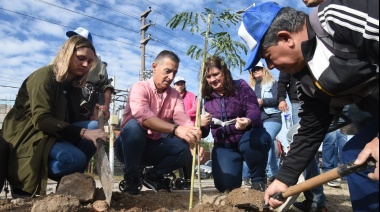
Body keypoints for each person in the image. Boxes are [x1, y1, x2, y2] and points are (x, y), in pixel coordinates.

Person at [238, 1, 379, 211]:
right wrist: (283, 179)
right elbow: (311, 129)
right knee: (356, 156)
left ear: (285, 38)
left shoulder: (337, 17)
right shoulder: (308, 78)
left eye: (267, 57)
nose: (270, 66)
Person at [1, 35, 107, 198]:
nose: (86, 65)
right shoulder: (43, 77)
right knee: (76, 158)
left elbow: (70, 121)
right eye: (81, 58)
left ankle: (68, 188)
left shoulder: (74, 87)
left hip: (53, 135)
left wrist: (92, 117)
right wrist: (83, 132)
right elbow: (42, 120)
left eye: (90, 61)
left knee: (94, 127)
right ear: (66, 53)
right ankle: (22, 178)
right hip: (30, 135)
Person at [114, 50, 202, 195]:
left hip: (152, 148)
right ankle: (131, 178)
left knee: (184, 150)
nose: (171, 77)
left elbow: (182, 117)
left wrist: (193, 135)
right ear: (154, 67)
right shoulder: (139, 88)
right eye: (167, 71)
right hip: (127, 147)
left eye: (174, 72)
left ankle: (152, 176)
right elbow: (144, 117)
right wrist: (175, 129)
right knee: (134, 127)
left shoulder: (175, 95)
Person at [200, 56, 271, 192]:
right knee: (226, 186)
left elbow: (254, 109)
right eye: (208, 77)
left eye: (216, 74)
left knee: (256, 140)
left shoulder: (240, 86)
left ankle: (258, 180)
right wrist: (200, 124)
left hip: (247, 137)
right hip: (224, 146)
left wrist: (248, 121)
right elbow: (204, 133)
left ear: (224, 72)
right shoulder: (206, 98)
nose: (213, 79)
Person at [65, 27, 114, 121]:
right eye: (72, 38)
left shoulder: (98, 64)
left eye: (79, 39)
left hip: (86, 111)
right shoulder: (61, 58)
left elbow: (106, 87)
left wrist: (106, 107)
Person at [248, 61, 282, 183]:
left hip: (272, 117)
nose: (256, 70)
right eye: (254, 69)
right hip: (257, 120)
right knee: (269, 145)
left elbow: (277, 99)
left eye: (259, 68)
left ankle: (264, 174)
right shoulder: (249, 88)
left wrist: (263, 101)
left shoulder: (272, 83)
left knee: (264, 141)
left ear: (264, 70)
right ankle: (274, 173)